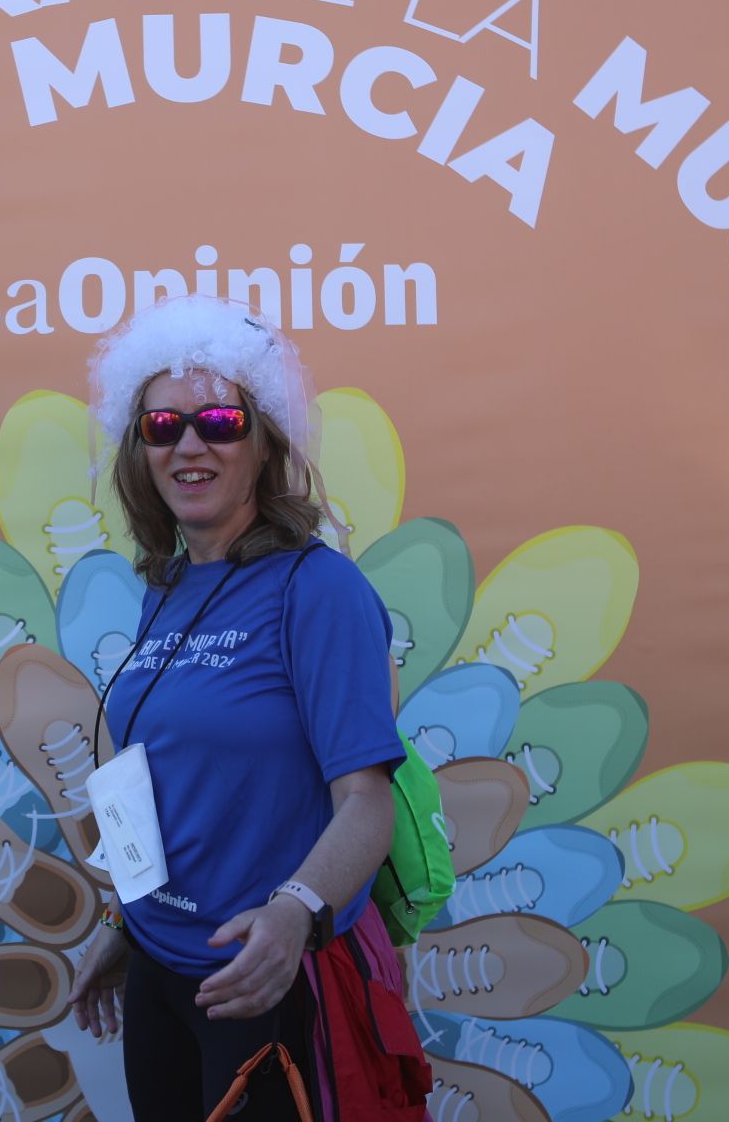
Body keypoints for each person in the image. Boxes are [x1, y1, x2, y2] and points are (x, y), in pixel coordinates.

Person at [66, 294, 421, 1122]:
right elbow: (188, 788)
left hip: (268, 975)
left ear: (263, 445)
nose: (190, 444)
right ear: (139, 450)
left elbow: (366, 804)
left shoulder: (317, 587)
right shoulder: (166, 588)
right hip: (161, 969)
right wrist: (127, 928)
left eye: (219, 421)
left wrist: (294, 915)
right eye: (162, 427)